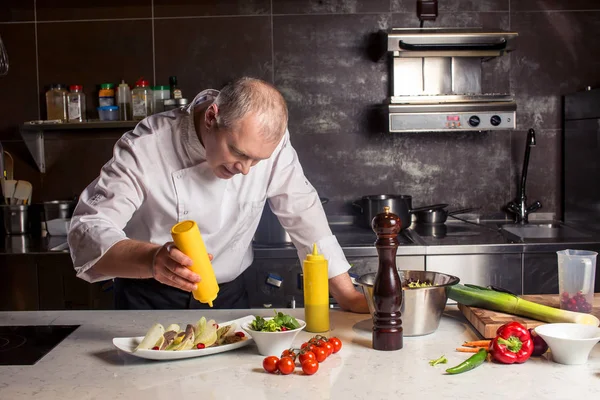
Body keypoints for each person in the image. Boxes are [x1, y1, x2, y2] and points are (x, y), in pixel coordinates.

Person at [68, 77, 369, 313]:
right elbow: (88, 229)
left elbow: (304, 215)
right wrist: (153, 260)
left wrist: (347, 295)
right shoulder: (146, 147)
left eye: (257, 160)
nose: (246, 170)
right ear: (212, 117)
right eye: (238, 153)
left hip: (231, 299)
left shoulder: (267, 144)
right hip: (149, 300)